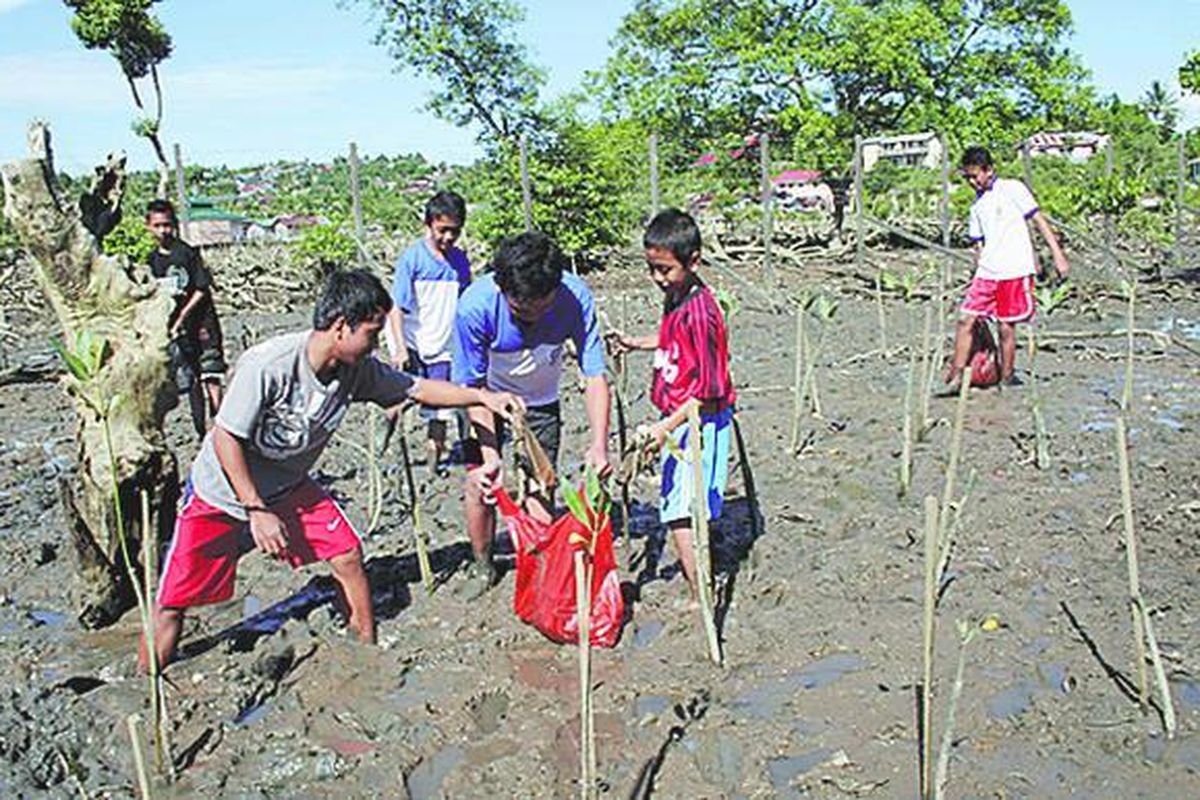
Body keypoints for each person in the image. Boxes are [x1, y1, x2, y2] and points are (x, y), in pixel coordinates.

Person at [140, 269, 521, 670]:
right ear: (341, 327)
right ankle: (146, 683)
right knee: (174, 604)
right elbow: (226, 438)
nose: (375, 345)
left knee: (347, 554)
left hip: (287, 487)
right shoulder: (268, 365)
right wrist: (255, 510)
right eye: (372, 334)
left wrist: (482, 396)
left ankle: (366, 650)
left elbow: (416, 388)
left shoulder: (357, 371)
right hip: (221, 494)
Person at [452, 231, 610, 596]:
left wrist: (599, 444)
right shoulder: (474, 308)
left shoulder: (575, 298)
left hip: (541, 399)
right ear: (501, 287)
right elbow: (470, 389)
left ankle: (538, 568)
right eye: (522, 310)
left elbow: (594, 373)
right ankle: (483, 562)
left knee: (542, 484)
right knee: (480, 483)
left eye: (543, 307)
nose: (533, 317)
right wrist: (491, 456)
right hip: (485, 397)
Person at [607, 209, 736, 606]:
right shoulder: (676, 297)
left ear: (693, 261)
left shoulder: (702, 314)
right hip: (679, 416)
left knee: (680, 510)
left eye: (665, 269)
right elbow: (673, 343)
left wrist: (665, 428)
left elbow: (709, 390)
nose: (658, 278)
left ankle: (701, 594)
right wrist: (634, 342)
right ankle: (700, 578)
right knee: (680, 503)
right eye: (652, 269)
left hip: (699, 420)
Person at [944, 146, 1069, 389]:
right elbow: (979, 246)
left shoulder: (1013, 189)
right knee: (965, 319)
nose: (972, 181)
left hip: (1015, 269)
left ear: (989, 170)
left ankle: (1007, 376)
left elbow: (1038, 220)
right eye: (967, 177)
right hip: (989, 271)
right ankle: (957, 374)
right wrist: (977, 272)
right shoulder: (976, 208)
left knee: (1005, 326)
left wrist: (1057, 254)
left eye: (975, 175)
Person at [385, 191, 473, 469]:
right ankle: (385, 452)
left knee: (440, 412)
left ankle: (434, 466)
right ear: (428, 224)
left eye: (454, 232)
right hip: (411, 342)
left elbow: (465, 304)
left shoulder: (460, 262)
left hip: (443, 346)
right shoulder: (413, 259)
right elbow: (396, 307)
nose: (448, 237)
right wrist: (400, 347)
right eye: (442, 230)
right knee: (397, 403)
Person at [145, 199, 227, 437]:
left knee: (211, 374)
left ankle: (221, 427)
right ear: (148, 226)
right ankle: (202, 433)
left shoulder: (188, 254)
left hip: (202, 325)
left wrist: (182, 315)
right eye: (158, 225)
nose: (163, 230)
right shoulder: (152, 262)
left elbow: (201, 289)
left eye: (168, 225)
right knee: (190, 381)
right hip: (178, 331)